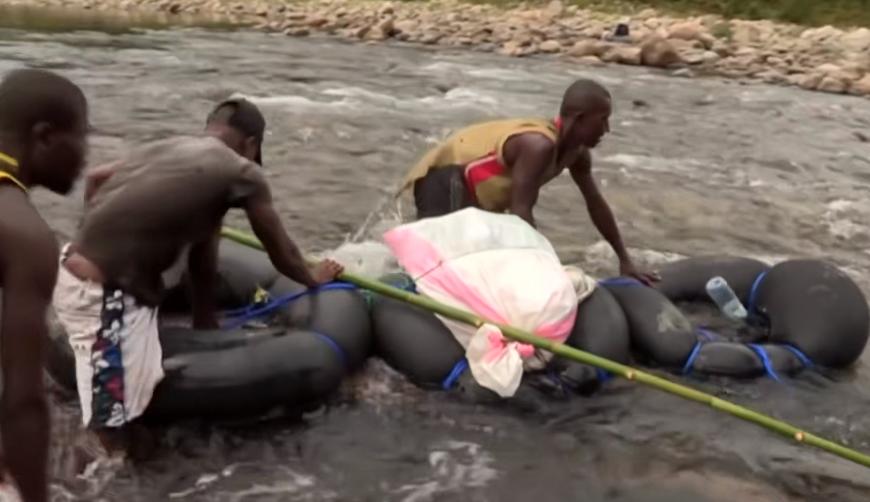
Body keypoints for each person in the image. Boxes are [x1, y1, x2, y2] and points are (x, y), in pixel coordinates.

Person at [52, 98, 343, 456]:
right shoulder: (243, 173)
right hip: (103, 294)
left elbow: (97, 179)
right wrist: (315, 278)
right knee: (119, 430)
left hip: (72, 269)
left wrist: (92, 237)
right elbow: (282, 252)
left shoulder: (173, 147)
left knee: (139, 415)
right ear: (251, 144)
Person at [398, 78, 658, 285]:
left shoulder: (577, 154)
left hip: (475, 200)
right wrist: (546, 267)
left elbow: (595, 204)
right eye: (602, 120)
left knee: (478, 266)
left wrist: (625, 260)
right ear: (578, 119)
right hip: (445, 181)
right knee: (442, 268)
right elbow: (520, 211)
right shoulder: (539, 145)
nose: (607, 129)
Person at [0, 69, 89, 502]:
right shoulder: (23, 234)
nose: (86, 155)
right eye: (82, 138)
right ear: (46, 137)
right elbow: (24, 402)